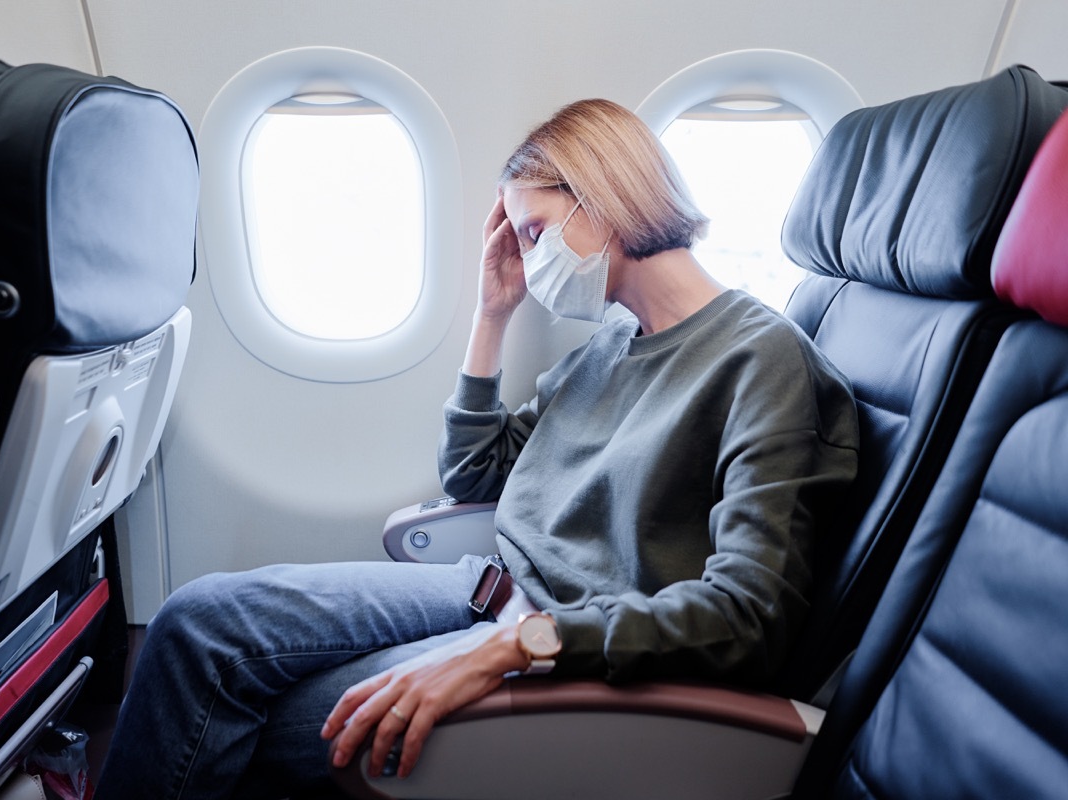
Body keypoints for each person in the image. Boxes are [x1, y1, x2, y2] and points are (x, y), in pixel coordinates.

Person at [94, 98, 859, 799]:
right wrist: (491, 315)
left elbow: (746, 619)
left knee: (255, 715)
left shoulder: (765, 363)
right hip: (483, 586)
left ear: (607, 198)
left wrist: (512, 648)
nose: (529, 260)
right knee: (196, 622)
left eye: (535, 232)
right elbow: (477, 473)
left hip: (561, 639)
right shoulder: (614, 341)